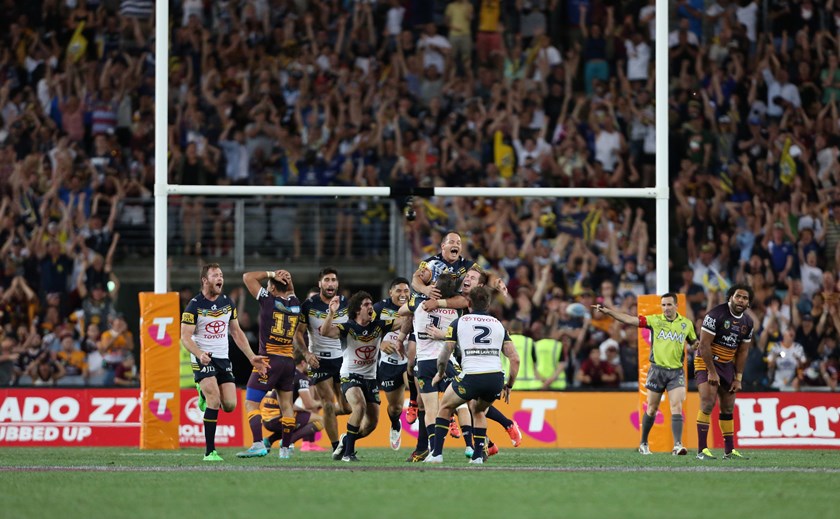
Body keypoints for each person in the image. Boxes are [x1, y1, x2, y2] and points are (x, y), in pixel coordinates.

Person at [180, 263, 268, 461]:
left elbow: (236, 332)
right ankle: (210, 452)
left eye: (221, 275)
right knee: (214, 399)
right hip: (203, 358)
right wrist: (199, 353)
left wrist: (251, 356)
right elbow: (185, 337)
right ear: (205, 280)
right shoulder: (194, 305)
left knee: (229, 405)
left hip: (223, 358)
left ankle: (203, 393)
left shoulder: (227, 302)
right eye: (215, 275)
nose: (220, 278)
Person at [424, 285, 520, 464]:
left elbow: (445, 353)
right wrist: (509, 385)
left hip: (472, 376)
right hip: (495, 378)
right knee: (478, 410)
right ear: (488, 304)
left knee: (445, 406)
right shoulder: (499, 325)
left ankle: (436, 454)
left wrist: (440, 373)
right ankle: (477, 456)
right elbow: (515, 359)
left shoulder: (459, 322)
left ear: (468, 303)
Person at [594, 293, 698, 456]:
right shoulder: (654, 320)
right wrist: (609, 312)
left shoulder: (686, 324)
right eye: (663, 305)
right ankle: (643, 443)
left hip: (676, 372)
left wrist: (699, 345)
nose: (666, 308)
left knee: (677, 406)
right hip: (657, 371)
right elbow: (629, 320)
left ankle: (677, 445)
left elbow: (693, 342)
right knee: (652, 408)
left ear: (676, 306)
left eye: (669, 305)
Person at [236, 268, 302, 460]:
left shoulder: (268, 300)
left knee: (251, 402)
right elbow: (291, 291)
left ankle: (258, 444)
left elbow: (247, 277)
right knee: (287, 406)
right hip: (288, 362)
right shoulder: (295, 305)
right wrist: (287, 279)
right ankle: (285, 449)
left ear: (272, 288)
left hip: (269, 360)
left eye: (268, 286)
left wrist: (272, 274)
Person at [320, 291, 389, 462]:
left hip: (371, 378)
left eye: (371, 304)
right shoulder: (348, 327)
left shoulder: (379, 326)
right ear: (358, 310)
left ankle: (346, 440)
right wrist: (331, 313)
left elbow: (404, 321)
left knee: (371, 425)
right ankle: (348, 454)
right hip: (349, 375)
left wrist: (408, 307)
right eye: (366, 304)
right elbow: (325, 331)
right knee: (359, 406)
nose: (370, 307)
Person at [694, 284, 755, 460]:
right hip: (706, 362)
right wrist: (711, 372)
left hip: (727, 365)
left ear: (748, 303)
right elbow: (704, 345)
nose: (741, 300)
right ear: (730, 298)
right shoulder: (715, 315)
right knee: (708, 402)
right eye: (738, 296)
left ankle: (729, 451)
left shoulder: (748, 323)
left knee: (728, 407)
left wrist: (738, 377)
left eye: (745, 298)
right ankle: (702, 450)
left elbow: (742, 352)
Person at [295, 267, 349, 454]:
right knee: (328, 402)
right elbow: (298, 333)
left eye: (333, 280)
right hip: (319, 360)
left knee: (347, 407)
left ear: (337, 283)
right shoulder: (308, 305)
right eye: (326, 280)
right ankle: (336, 448)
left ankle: (324, 414)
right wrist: (306, 354)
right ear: (320, 284)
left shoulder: (345, 303)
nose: (330, 283)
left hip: (342, 359)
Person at [373, 277, 411, 450]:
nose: (403, 294)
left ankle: (427, 442)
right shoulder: (379, 308)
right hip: (389, 362)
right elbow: (366, 331)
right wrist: (380, 343)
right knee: (395, 408)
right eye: (399, 291)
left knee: (420, 397)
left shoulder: (416, 306)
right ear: (390, 293)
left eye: (406, 291)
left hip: (410, 360)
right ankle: (395, 424)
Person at [259, 354, 325, 453]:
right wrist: (325, 404)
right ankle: (288, 442)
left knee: (300, 420)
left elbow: (288, 404)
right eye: (309, 363)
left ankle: (269, 441)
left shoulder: (284, 373)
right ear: (303, 363)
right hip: (278, 419)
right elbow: (309, 404)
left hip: (266, 419)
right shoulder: (301, 378)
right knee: (321, 420)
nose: (310, 367)